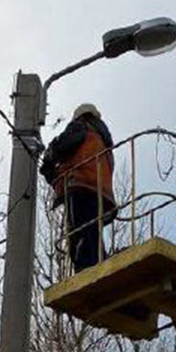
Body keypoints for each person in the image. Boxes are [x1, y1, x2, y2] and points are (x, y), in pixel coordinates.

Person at [41, 103, 116, 272]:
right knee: (92, 232)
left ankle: (85, 271)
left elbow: (65, 145)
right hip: (101, 193)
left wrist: (51, 152)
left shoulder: (81, 126)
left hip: (81, 186)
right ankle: (101, 265)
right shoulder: (104, 144)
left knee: (79, 234)